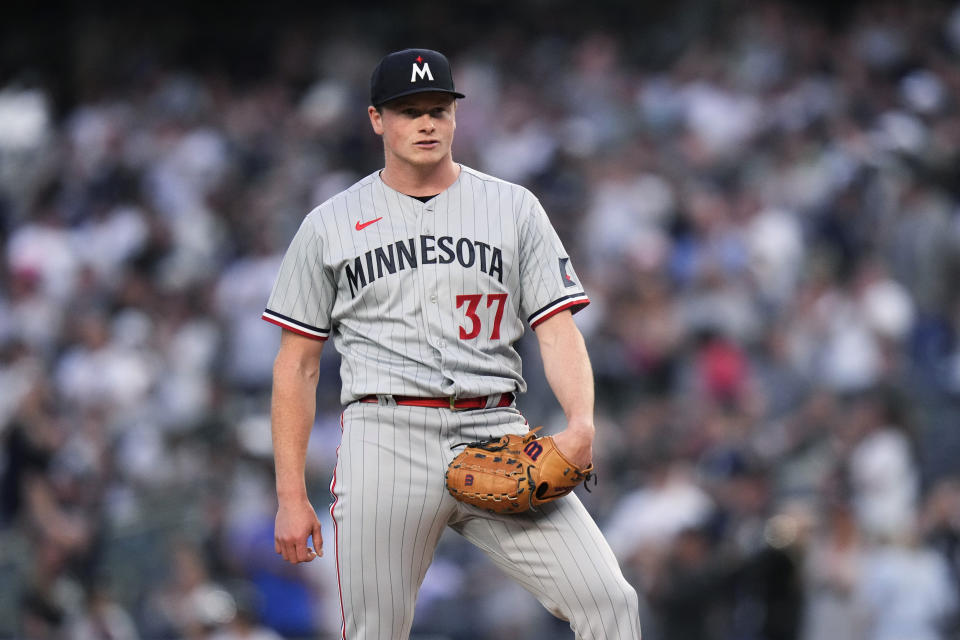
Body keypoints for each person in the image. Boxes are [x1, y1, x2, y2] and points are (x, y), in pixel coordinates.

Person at [263, 48, 641, 639]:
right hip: (385, 440)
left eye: (438, 109)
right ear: (376, 120)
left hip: (495, 426)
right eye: (409, 110)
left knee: (610, 601)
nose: (426, 123)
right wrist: (290, 495)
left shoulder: (513, 208)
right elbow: (298, 365)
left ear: (455, 117)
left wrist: (583, 422)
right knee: (375, 632)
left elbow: (556, 327)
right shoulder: (329, 224)